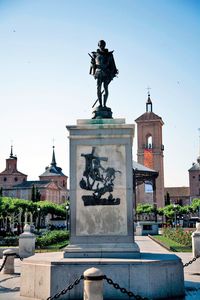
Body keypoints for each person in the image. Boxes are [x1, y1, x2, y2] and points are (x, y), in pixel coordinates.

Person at [89, 40, 118, 107]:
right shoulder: (95, 54)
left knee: (105, 87)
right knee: (98, 88)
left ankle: (104, 105)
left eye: (103, 45)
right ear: (98, 45)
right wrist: (92, 63)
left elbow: (113, 65)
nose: (102, 46)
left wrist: (113, 72)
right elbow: (92, 66)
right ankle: (100, 104)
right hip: (98, 72)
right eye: (100, 45)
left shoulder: (109, 55)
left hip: (106, 73)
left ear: (105, 45)